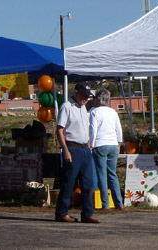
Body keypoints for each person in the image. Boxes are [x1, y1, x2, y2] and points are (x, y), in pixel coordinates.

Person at [54, 83, 99, 223]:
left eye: (88, 96)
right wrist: (65, 150)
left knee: (88, 183)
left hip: (85, 149)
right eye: (84, 95)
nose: (86, 99)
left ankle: (87, 213)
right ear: (76, 93)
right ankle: (62, 212)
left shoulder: (84, 108)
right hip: (72, 148)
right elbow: (60, 130)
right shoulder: (67, 107)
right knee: (69, 182)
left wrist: (89, 145)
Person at [89, 88, 123, 210]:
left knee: (102, 175)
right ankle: (118, 202)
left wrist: (91, 144)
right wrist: (119, 142)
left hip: (100, 144)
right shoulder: (113, 112)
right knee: (112, 174)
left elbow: (93, 129)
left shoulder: (94, 112)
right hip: (113, 144)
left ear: (98, 99)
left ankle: (105, 203)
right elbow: (118, 128)